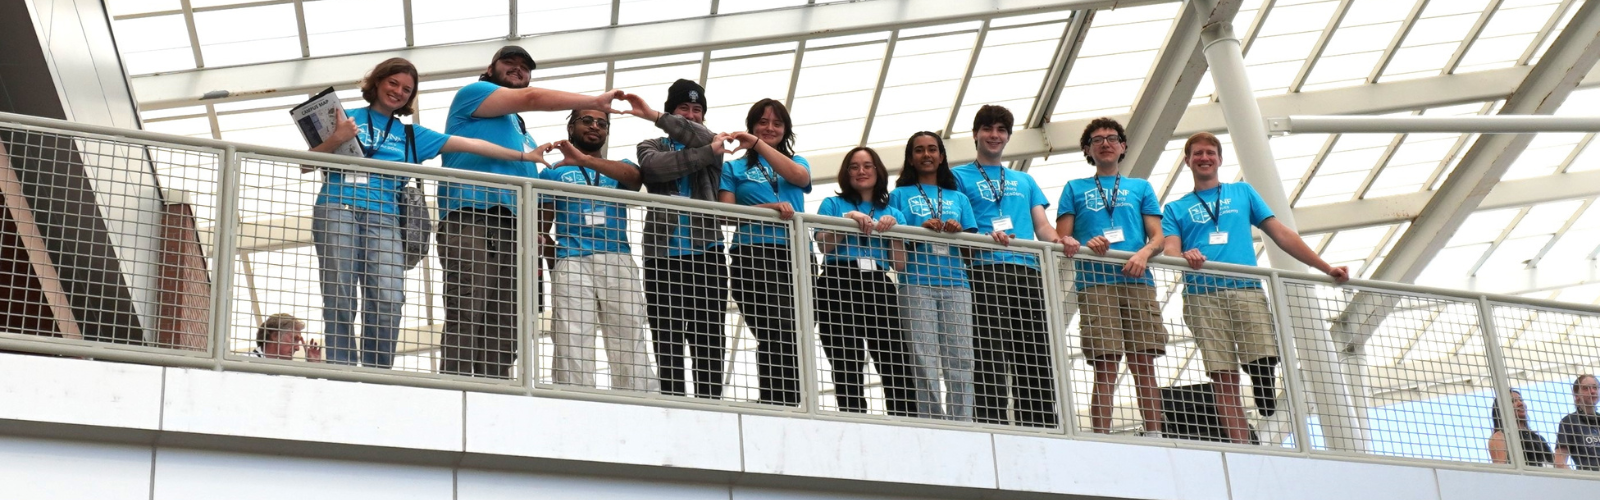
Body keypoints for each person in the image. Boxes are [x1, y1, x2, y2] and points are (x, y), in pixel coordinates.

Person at [306, 57, 542, 368]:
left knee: (389, 298)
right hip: (338, 207)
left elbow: (471, 144)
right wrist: (338, 137)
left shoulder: (411, 135)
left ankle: (377, 374)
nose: (398, 92)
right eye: (393, 83)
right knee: (340, 293)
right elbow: (306, 163)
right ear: (377, 82)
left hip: (384, 217)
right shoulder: (344, 116)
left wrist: (524, 156)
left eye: (406, 89)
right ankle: (343, 369)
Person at [436, 46, 626, 379]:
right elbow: (532, 97)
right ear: (490, 68)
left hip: (515, 229)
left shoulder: (522, 130)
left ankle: (495, 391)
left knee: (507, 320)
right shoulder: (474, 93)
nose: (518, 69)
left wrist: (537, 230)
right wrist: (596, 101)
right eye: (509, 63)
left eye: (525, 67)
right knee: (468, 307)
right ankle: (457, 390)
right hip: (473, 217)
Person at [1161, 131, 1349, 444]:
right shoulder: (1175, 208)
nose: (1204, 158)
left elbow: (1281, 234)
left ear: (1220, 159)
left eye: (1210, 153)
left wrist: (1325, 267)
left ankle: (1262, 378)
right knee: (1223, 375)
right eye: (1197, 154)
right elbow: (1170, 251)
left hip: (1245, 287)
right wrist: (1185, 256)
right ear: (1187, 161)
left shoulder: (1242, 192)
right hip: (1201, 296)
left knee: (1262, 351)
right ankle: (1242, 445)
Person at [951, 104, 1064, 427]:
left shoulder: (1024, 180)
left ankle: (1041, 425)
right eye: (988, 129)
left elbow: (1042, 226)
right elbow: (956, 220)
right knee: (990, 350)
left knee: (1035, 350)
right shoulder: (958, 176)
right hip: (984, 269)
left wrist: (1061, 241)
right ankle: (993, 424)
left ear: (1008, 137)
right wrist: (984, 237)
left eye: (1001, 130)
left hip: (1027, 270)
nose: (994, 135)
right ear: (975, 134)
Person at [1055, 118, 1168, 436]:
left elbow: (1158, 237)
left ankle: (1155, 435)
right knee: (1106, 365)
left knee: (1143, 363)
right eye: (1097, 140)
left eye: (1112, 138)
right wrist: (1084, 243)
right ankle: (1101, 439)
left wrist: (1143, 254)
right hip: (1095, 283)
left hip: (1138, 281)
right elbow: (1062, 238)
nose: (1105, 143)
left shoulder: (1140, 187)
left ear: (1123, 146)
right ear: (1087, 150)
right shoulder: (1074, 188)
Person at [537, 110, 658, 392]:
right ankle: (574, 401)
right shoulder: (553, 171)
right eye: (587, 121)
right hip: (572, 259)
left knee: (629, 333)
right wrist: (557, 261)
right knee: (571, 337)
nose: (594, 126)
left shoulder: (618, 166)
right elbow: (542, 225)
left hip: (617, 257)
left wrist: (586, 161)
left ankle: (639, 400)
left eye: (601, 123)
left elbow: (635, 179)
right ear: (571, 127)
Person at [630, 80, 733, 399]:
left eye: (697, 109)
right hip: (662, 256)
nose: (690, 115)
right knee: (667, 337)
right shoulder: (650, 144)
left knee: (709, 337)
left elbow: (707, 140)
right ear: (671, 112)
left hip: (707, 252)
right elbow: (654, 169)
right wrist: (706, 153)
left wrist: (706, 147)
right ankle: (673, 405)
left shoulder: (714, 144)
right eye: (683, 109)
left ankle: (710, 405)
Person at [814, 147, 919, 415]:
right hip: (838, 281)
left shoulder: (893, 211)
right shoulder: (832, 204)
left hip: (878, 282)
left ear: (878, 171)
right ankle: (854, 419)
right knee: (845, 358)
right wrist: (848, 219)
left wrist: (894, 231)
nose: (861, 171)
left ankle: (903, 419)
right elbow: (824, 246)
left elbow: (899, 264)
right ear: (846, 173)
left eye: (868, 166)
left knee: (893, 356)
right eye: (854, 166)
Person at [719, 98, 811, 406]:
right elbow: (726, 214)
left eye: (777, 123)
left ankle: (792, 402)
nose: (770, 128)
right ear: (751, 126)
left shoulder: (797, 162)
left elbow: (800, 178)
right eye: (762, 122)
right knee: (774, 328)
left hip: (797, 254)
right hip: (752, 254)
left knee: (797, 329)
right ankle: (777, 401)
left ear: (786, 130)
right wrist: (768, 208)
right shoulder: (732, 167)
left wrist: (758, 144)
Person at [889, 131, 977, 421]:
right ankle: (932, 422)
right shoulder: (899, 195)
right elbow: (895, 245)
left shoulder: (959, 198)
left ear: (941, 156)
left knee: (961, 357)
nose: (926, 155)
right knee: (923, 356)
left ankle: (962, 422)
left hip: (957, 284)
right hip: (916, 282)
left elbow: (971, 251)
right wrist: (919, 231)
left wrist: (958, 232)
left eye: (932, 149)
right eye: (919, 150)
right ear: (910, 158)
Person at [1489, 389, 1554, 467]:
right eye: (1513, 401)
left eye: (1521, 400)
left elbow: (1555, 465)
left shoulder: (1538, 438)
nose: (1520, 403)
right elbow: (1501, 468)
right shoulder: (1500, 436)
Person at [1556, 373, 1600, 470]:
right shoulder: (1570, 422)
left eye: (1595, 387)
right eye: (1586, 388)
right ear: (1576, 395)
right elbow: (1559, 461)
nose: (1592, 391)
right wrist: (1576, 478)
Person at [251, 313, 321, 362]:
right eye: (294, 339)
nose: (297, 348)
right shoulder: (247, 363)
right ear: (275, 336)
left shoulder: (289, 370)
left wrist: (313, 367)